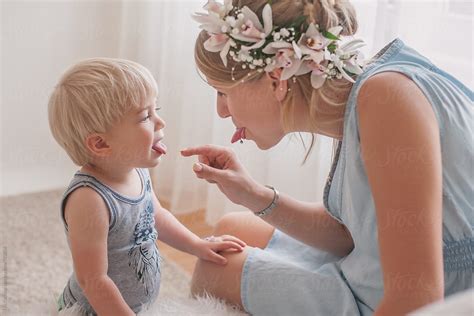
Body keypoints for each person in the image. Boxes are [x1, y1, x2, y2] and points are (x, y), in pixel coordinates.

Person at [181, 0, 473, 315]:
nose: (221, 111)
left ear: (277, 79)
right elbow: (349, 235)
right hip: (376, 263)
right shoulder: (360, 97)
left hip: (441, 292)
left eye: (223, 92)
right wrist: (253, 194)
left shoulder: (386, 102)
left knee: (214, 270)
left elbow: (418, 298)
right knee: (232, 229)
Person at [48, 58, 246, 315]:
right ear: (100, 144)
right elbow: (93, 280)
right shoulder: (89, 199)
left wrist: (197, 245)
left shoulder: (136, 172)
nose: (160, 122)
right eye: (145, 116)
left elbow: (156, 216)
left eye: (156, 109)